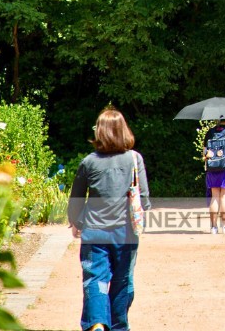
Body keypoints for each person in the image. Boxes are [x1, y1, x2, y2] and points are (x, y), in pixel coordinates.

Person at [67, 107, 151, 331]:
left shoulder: (89, 162)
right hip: (126, 232)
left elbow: (76, 196)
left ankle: (96, 324)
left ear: (100, 132)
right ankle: (119, 326)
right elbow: (143, 197)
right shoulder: (135, 159)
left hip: (94, 231)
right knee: (122, 280)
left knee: (95, 279)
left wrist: (75, 222)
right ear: (124, 130)